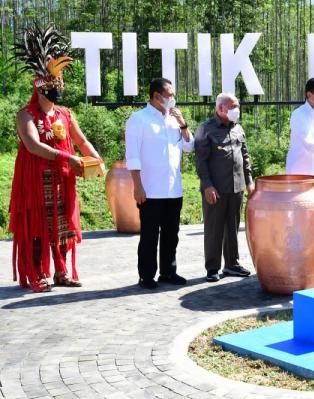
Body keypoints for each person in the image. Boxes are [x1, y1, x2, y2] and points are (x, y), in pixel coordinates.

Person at [9, 23, 103, 293]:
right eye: (52, 85)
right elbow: (33, 145)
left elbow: (81, 141)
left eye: (59, 84)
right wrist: (67, 157)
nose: (57, 89)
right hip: (36, 180)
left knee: (63, 225)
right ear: (40, 88)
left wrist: (96, 160)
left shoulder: (64, 113)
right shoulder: (26, 115)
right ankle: (38, 273)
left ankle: (61, 271)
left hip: (63, 178)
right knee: (39, 225)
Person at [125, 78, 194, 289]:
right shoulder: (138, 120)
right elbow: (133, 156)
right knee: (149, 235)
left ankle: (168, 272)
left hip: (173, 188)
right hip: (150, 189)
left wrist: (183, 124)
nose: (172, 99)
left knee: (171, 234)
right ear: (156, 96)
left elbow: (189, 147)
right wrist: (137, 186)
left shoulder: (174, 119)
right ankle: (146, 276)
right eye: (169, 95)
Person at [195, 93, 254, 282]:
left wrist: (249, 181)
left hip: (237, 187)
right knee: (214, 229)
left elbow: (245, 156)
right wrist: (207, 186)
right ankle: (212, 268)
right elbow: (201, 161)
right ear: (221, 108)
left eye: (238, 106)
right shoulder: (205, 129)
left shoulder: (238, 128)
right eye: (233, 106)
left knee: (233, 228)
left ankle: (232, 265)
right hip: (216, 189)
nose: (237, 109)